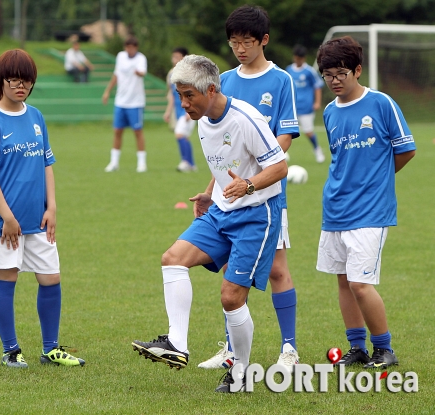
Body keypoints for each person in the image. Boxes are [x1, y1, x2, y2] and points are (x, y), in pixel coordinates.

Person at [132, 54, 288, 393]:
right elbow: (223, 165)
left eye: (189, 95)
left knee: (232, 298)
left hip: (257, 214)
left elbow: (280, 167)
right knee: (172, 259)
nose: (184, 103)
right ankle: (177, 344)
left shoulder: (247, 118)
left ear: (212, 89)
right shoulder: (202, 120)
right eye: (180, 95)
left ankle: (241, 372)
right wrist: (208, 193)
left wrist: (247, 185)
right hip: (221, 208)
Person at [197, 5, 300, 370]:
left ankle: (289, 349)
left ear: (264, 40)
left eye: (248, 41)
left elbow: (285, 134)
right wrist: (212, 188)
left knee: (276, 269)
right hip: (230, 197)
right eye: (234, 42)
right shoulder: (223, 79)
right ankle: (230, 351)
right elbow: (218, 146)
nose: (240, 48)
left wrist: (258, 173)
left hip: (266, 193)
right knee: (231, 271)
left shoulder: (281, 80)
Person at [0, 49, 85, 369]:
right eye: (14, 80)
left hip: (38, 219)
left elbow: (47, 163)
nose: (21, 86)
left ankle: (51, 349)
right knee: (6, 278)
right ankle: (10, 350)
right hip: (4, 223)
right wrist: (7, 217)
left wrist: (52, 207)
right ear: (1, 81)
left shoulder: (35, 116)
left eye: (28, 81)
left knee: (51, 278)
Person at [316, 36, 415, 368]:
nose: (334, 80)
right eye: (327, 74)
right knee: (344, 281)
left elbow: (406, 149)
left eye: (340, 73)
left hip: (371, 211)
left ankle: (384, 349)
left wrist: (379, 181)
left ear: (357, 70)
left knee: (360, 283)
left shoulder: (381, 103)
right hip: (335, 208)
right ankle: (356, 347)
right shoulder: (329, 111)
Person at [102, 36, 147, 173]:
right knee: (117, 131)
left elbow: (142, 73)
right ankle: (114, 162)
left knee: (137, 132)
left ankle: (141, 163)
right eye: (127, 47)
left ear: (136, 47)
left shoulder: (141, 59)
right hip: (120, 101)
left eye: (132, 47)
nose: (130, 50)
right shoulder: (120, 56)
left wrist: (138, 72)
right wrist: (107, 91)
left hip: (135, 102)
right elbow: (116, 74)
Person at [286, 44, 325, 163]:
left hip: (306, 107)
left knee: (308, 132)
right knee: (286, 131)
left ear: (304, 58)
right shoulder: (289, 70)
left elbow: (317, 86)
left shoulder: (309, 71)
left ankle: (317, 150)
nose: (298, 61)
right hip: (291, 107)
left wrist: (317, 102)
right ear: (294, 57)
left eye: (300, 59)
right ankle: (282, 153)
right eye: (296, 58)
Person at [163, 47, 197, 172]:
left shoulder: (190, 73)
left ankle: (185, 162)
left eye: (178, 57)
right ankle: (192, 164)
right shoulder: (171, 74)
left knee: (179, 134)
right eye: (174, 57)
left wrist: (191, 110)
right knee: (185, 137)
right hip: (177, 111)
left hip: (187, 110)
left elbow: (195, 93)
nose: (175, 60)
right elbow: (171, 95)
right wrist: (168, 112)